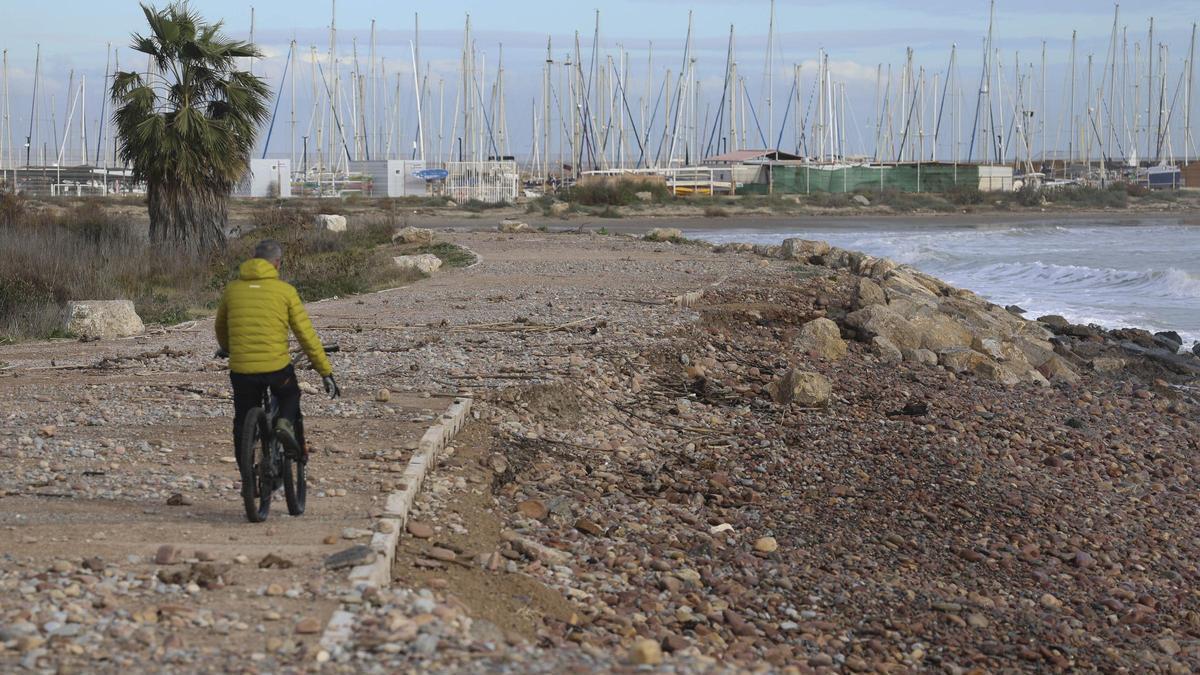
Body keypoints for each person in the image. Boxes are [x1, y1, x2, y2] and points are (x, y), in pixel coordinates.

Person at [215, 239, 340, 462]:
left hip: (242, 371)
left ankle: (247, 475)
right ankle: (284, 425)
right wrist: (325, 372)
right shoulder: (285, 291)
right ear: (277, 264)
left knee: (242, 420)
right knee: (290, 394)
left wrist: (228, 348)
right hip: (276, 369)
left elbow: (221, 327)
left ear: (253, 260)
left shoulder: (232, 290)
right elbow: (306, 335)